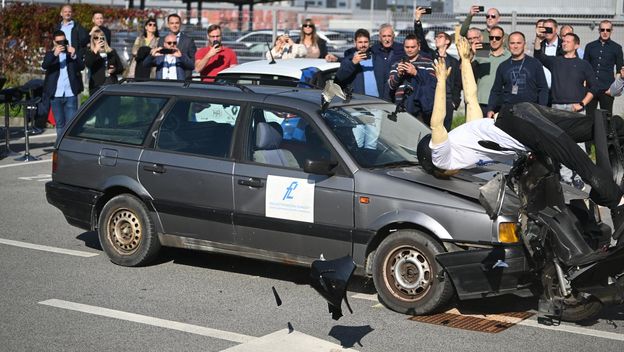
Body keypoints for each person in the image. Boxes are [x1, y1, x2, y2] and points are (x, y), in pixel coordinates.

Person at [416, 35, 624, 261]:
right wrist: (465, 60)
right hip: (523, 114)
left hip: (518, 125)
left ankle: (618, 206)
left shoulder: (441, 158)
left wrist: (440, 81)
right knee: (597, 128)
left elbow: (437, 123)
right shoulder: (465, 136)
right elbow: (471, 98)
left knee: (574, 157)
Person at [414, 7, 461, 129]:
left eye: (439, 37)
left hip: (447, 100)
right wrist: (418, 21)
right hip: (432, 98)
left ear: (447, 41)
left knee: (446, 130)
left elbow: (457, 83)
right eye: (436, 37)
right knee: (430, 128)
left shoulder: (454, 62)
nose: (436, 38)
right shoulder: (430, 55)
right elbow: (421, 39)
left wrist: (454, 102)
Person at [486, 32, 549, 117]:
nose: (515, 46)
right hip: (509, 111)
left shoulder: (535, 64)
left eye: (519, 43)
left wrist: (542, 108)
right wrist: (490, 108)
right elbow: (495, 90)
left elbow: (543, 88)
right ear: (508, 45)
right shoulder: (503, 66)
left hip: (531, 111)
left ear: (524, 44)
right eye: (512, 43)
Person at [42, 30, 85, 142]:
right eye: (59, 42)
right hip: (56, 94)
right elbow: (45, 65)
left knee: (71, 124)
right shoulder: (50, 54)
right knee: (60, 124)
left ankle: (69, 145)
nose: (62, 43)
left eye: (64, 41)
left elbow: (81, 67)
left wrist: (74, 55)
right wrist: (55, 54)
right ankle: (61, 145)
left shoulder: (71, 53)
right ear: (54, 42)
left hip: (70, 93)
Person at [387, 34, 436, 125]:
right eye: (407, 47)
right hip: (400, 107)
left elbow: (432, 82)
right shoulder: (397, 64)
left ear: (419, 47)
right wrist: (399, 74)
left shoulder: (428, 63)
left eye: (413, 47)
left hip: (420, 107)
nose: (409, 50)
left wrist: (416, 73)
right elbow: (391, 85)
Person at [584, 20, 624, 118]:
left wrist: (614, 89)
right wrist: (584, 86)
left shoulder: (617, 48)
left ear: (611, 31)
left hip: (607, 89)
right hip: (591, 89)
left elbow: (619, 70)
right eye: (602, 29)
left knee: (606, 119)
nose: (605, 32)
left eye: (608, 30)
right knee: (589, 118)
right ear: (599, 30)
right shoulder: (590, 46)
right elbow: (584, 67)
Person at [472, 25, 510, 116]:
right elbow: (465, 68)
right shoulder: (482, 51)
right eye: (491, 37)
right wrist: (471, 53)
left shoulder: (509, 56)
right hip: (481, 100)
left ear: (503, 39)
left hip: (499, 102)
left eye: (497, 38)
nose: (494, 40)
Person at [335, 29, 384, 97]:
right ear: (355, 43)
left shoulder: (377, 59)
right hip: (359, 101)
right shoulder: (349, 59)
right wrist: (353, 63)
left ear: (369, 42)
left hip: (378, 101)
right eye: (360, 42)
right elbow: (340, 77)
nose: (363, 45)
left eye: (366, 42)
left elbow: (386, 81)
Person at [84, 28, 124, 95]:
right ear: (92, 40)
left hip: (111, 83)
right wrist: (96, 50)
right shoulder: (90, 52)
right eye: (96, 38)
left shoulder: (111, 51)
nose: (99, 40)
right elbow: (88, 64)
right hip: (97, 85)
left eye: (101, 38)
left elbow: (121, 68)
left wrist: (114, 70)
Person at [159, 14, 196, 79]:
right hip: (163, 79)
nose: (174, 25)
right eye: (172, 23)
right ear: (168, 24)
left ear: (180, 24)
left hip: (182, 80)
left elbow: (193, 63)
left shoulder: (188, 41)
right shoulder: (162, 40)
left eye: (177, 23)